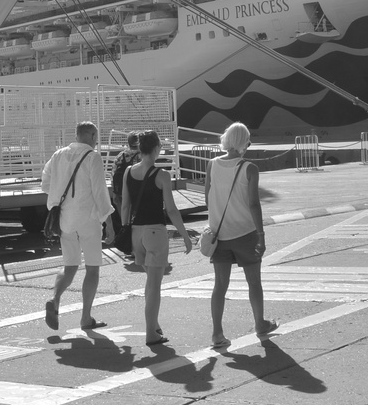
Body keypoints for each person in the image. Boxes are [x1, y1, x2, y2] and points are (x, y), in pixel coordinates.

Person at [119, 130, 192, 346]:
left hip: (135, 233)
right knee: (154, 286)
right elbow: (171, 210)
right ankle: (151, 332)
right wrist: (185, 235)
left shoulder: (129, 171)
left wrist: (125, 229)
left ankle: (154, 324)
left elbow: (125, 205)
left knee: (150, 282)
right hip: (155, 233)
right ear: (156, 149)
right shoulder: (162, 176)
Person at [206, 122, 275, 348]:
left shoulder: (212, 165)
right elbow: (254, 204)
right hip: (245, 233)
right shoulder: (249, 168)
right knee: (254, 282)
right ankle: (260, 324)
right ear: (244, 142)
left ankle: (217, 333)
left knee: (220, 285)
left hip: (220, 235)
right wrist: (261, 234)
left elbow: (208, 197)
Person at [41, 122, 112, 332]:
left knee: (70, 265)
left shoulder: (58, 155)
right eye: (96, 136)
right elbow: (100, 191)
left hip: (64, 219)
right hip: (88, 218)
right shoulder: (93, 157)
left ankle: (54, 299)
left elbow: (45, 183)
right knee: (92, 268)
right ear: (91, 135)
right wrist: (109, 222)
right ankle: (85, 318)